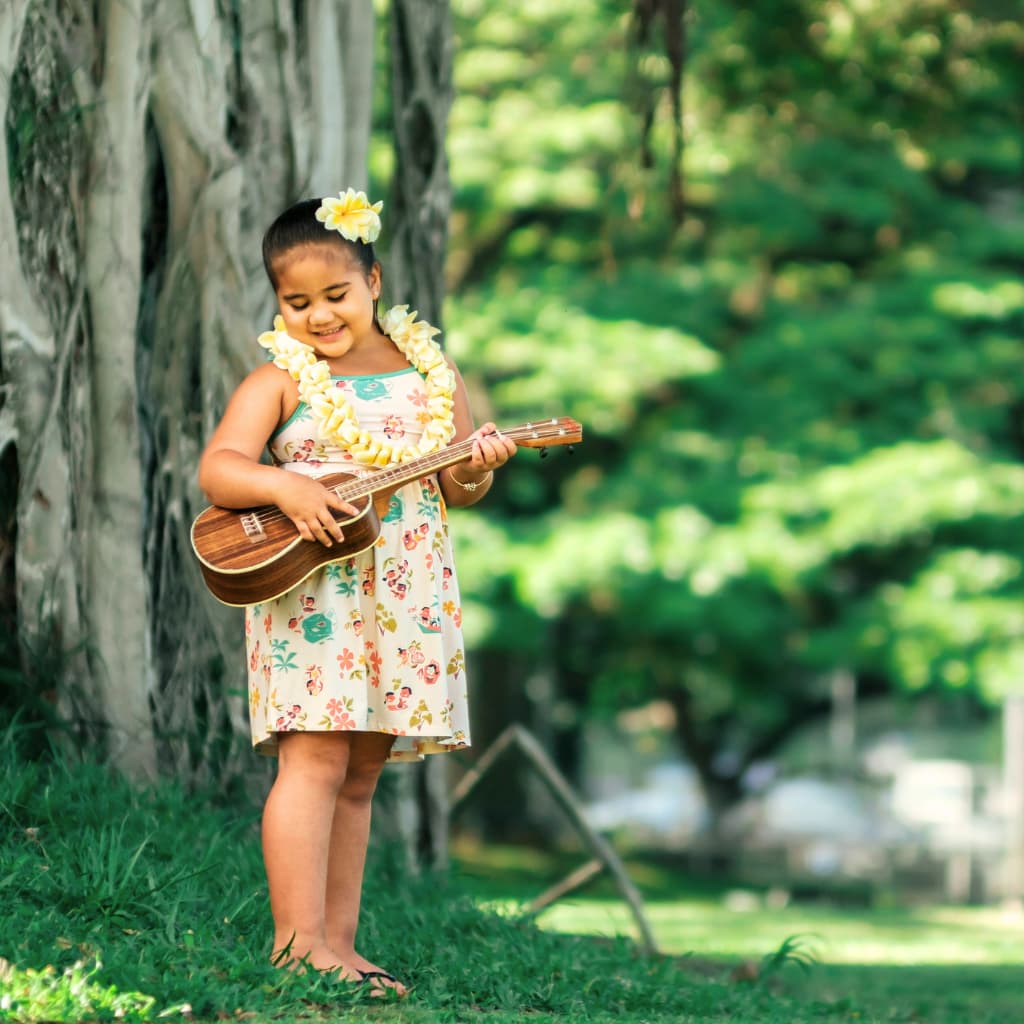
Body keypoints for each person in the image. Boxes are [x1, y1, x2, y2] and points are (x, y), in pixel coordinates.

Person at [197, 189, 516, 995]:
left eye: (335, 295)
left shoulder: (433, 375)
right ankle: (294, 944)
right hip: (314, 595)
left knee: (363, 771)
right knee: (314, 758)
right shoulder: (280, 379)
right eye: (295, 302)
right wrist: (285, 487)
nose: (318, 316)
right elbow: (220, 468)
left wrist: (475, 467)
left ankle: (339, 949)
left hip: (403, 596)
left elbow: (455, 488)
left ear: (373, 281)